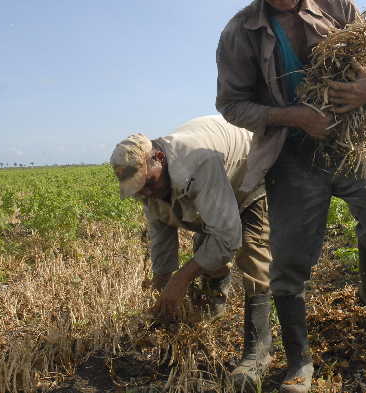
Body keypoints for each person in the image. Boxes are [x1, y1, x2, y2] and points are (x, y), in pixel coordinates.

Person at [216, 0, 366, 391]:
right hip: (292, 155)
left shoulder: (338, 6)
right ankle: (299, 360)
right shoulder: (240, 32)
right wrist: (294, 116)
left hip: (348, 143)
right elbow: (231, 105)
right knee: (290, 263)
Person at [110, 115, 273, 390]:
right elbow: (161, 234)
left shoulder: (197, 162)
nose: (147, 192)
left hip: (249, 172)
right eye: (140, 189)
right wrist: (163, 284)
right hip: (217, 185)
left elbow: (227, 236)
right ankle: (212, 300)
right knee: (207, 245)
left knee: (252, 255)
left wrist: (181, 279)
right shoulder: (149, 186)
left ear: (158, 158)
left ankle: (258, 354)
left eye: (148, 183)